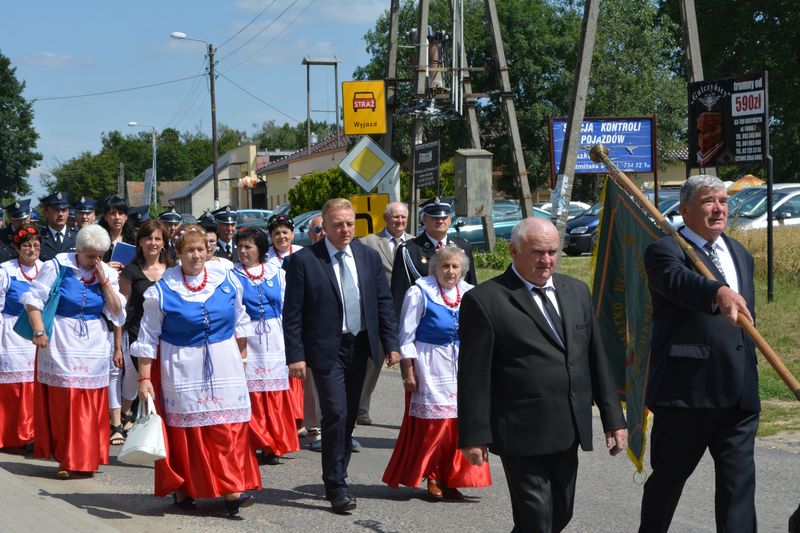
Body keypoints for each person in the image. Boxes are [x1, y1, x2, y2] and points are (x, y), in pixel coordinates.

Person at [457, 217, 627, 533]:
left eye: (552, 251)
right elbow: (473, 376)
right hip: (520, 431)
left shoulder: (576, 292)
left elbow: (596, 358)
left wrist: (614, 419)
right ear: (513, 250)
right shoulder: (486, 300)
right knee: (537, 521)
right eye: (537, 252)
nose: (546, 260)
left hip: (568, 428)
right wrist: (473, 435)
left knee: (559, 514)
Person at [638, 175, 759, 532]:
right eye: (709, 201)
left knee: (739, 487)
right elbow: (678, 282)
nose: (718, 208)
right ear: (686, 209)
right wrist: (716, 292)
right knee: (669, 480)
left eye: (723, 200)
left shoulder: (738, 253)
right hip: (687, 392)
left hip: (739, 392)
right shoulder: (665, 250)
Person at [132, 225, 260, 518]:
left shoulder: (226, 279)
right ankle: (185, 486)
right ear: (178, 254)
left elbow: (240, 319)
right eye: (190, 250)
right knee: (188, 432)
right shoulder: (163, 289)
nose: (196, 255)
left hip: (223, 362)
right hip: (181, 365)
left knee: (227, 427)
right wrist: (143, 378)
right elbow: (148, 336)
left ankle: (232, 489)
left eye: (201, 249)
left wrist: (241, 357)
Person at [283, 198, 400, 514]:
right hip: (325, 350)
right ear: (324, 226)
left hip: (360, 346)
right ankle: (336, 484)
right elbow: (292, 314)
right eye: (338, 224)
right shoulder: (305, 261)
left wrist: (391, 344)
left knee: (347, 416)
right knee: (334, 412)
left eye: (349, 223)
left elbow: (383, 304)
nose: (345, 229)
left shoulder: (368, 257)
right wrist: (296, 356)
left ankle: (338, 471)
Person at [383, 245, 491, 500]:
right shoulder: (420, 291)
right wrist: (408, 372)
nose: (450, 271)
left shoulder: (470, 293)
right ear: (435, 268)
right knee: (435, 425)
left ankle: (453, 476)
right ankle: (433, 474)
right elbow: (406, 336)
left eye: (455, 266)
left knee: (459, 423)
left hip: (461, 365)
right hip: (430, 364)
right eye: (445, 266)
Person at [21, 224, 125, 478]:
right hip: (61, 339)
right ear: (78, 250)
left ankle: (87, 457)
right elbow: (33, 300)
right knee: (66, 399)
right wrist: (38, 331)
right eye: (90, 256)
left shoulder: (105, 272)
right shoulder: (57, 266)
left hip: (95, 342)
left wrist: (105, 282)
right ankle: (67, 458)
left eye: (99, 255)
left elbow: (116, 312)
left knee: (90, 401)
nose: (95, 261)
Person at [232, 228, 299, 466]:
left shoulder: (276, 273)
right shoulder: (233, 276)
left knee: (275, 391)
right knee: (253, 391)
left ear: (260, 249)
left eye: (248, 246)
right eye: (239, 246)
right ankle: (256, 440)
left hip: (275, 336)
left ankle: (274, 444)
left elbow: (287, 305)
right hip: (247, 336)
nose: (242, 251)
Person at [115, 219, 174, 444]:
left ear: (164, 243)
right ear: (139, 242)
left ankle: (159, 427)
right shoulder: (130, 271)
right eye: (148, 238)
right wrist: (117, 345)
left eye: (158, 238)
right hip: (137, 334)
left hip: (168, 337)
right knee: (135, 380)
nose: (152, 242)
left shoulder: (172, 271)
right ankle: (121, 418)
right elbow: (120, 310)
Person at [357, 201, 413, 426]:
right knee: (372, 364)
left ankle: (414, 413)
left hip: (408, 315)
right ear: (386, 218)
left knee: (410, 366)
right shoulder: (369, 242)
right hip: (380, 314)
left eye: (403, 218)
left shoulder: (414, 244)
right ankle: (360, 408)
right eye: (395, 217)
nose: (399, 221)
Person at [391, 198, 477, 319]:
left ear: (450, 219)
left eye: (444, 217)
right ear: (424, 219)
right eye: (435, 217)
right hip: (423, 319)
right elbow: (399, 294)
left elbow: (471, 287)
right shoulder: (409, 250)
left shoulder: (463, 247)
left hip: (459, 317)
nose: (440, 221)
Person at [0, 226, 43, 449]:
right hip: (11, 331)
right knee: (15, 386)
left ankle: (32, 434)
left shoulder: (46, 269)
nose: (32, 249)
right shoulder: (5, 271)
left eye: (36, 245)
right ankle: (11, 435)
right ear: (17, 248)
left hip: (38, 332)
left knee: (36, 383)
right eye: (26, 245)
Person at [302, 213, 325, 450]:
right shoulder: (303, 258)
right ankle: (314, 430)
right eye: (317, 230)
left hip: (340, 332)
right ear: (310, 234)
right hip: (311, 331)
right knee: (311, 387)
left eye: (324, 229)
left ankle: (343, 431)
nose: (322, 233)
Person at [38, 192, 77, 262]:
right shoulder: (39, 237)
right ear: (45, 213)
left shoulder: (77, 236)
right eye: (56, 210)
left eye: (64, 210)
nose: (60, 214)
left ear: (68, 213)